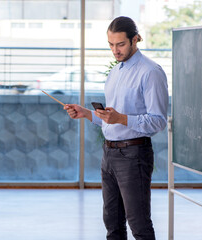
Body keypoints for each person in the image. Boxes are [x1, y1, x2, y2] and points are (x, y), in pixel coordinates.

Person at [64, 16, 169, 240]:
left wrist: (121, 118)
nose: (115, 50)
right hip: (109, 153)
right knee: (112, 223)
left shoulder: (151, 72)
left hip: (134, 155)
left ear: (135, 39)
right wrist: (86, 113)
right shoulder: (116, 72)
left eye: (120, 44)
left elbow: (158, 121)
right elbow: (110, 119)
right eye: (111, 45)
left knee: (139, 225)